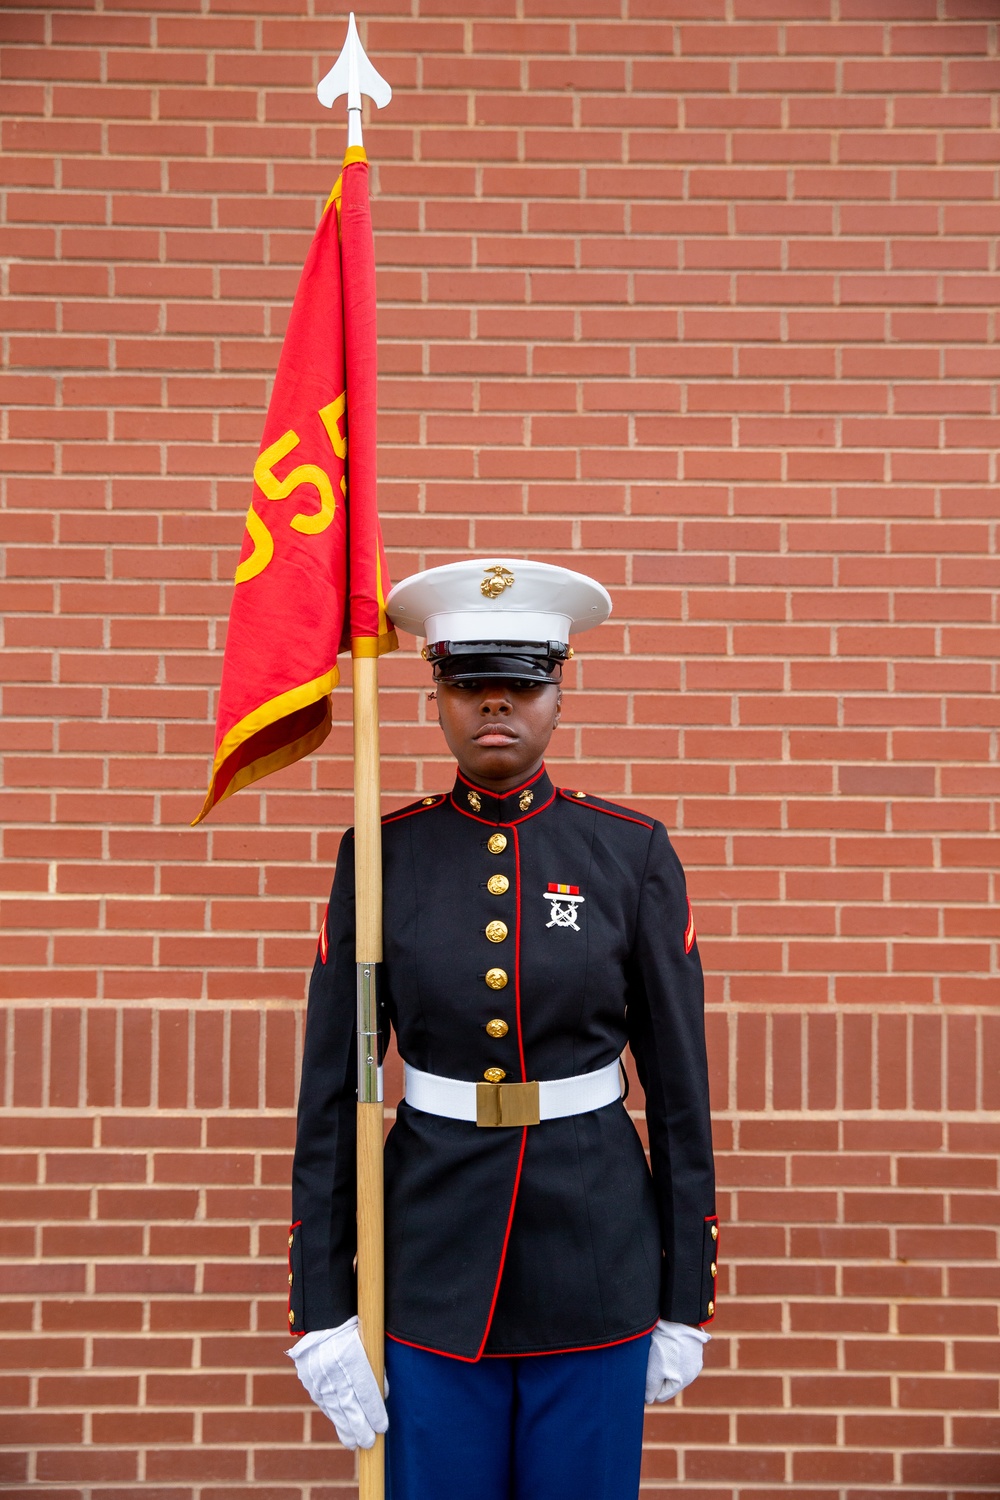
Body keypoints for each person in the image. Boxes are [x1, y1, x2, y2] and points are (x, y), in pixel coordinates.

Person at [287, 558, 718, 1500]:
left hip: (597, 1259)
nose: (495, 705)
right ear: (435, 697)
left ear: (559, 696)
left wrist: (685, 1295)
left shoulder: (629, 854)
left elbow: (682, 1095)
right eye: (467, 682)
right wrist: (320, 1307)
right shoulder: (381, 854)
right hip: (430, 1268)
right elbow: (335, 1091)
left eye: (520, 682)